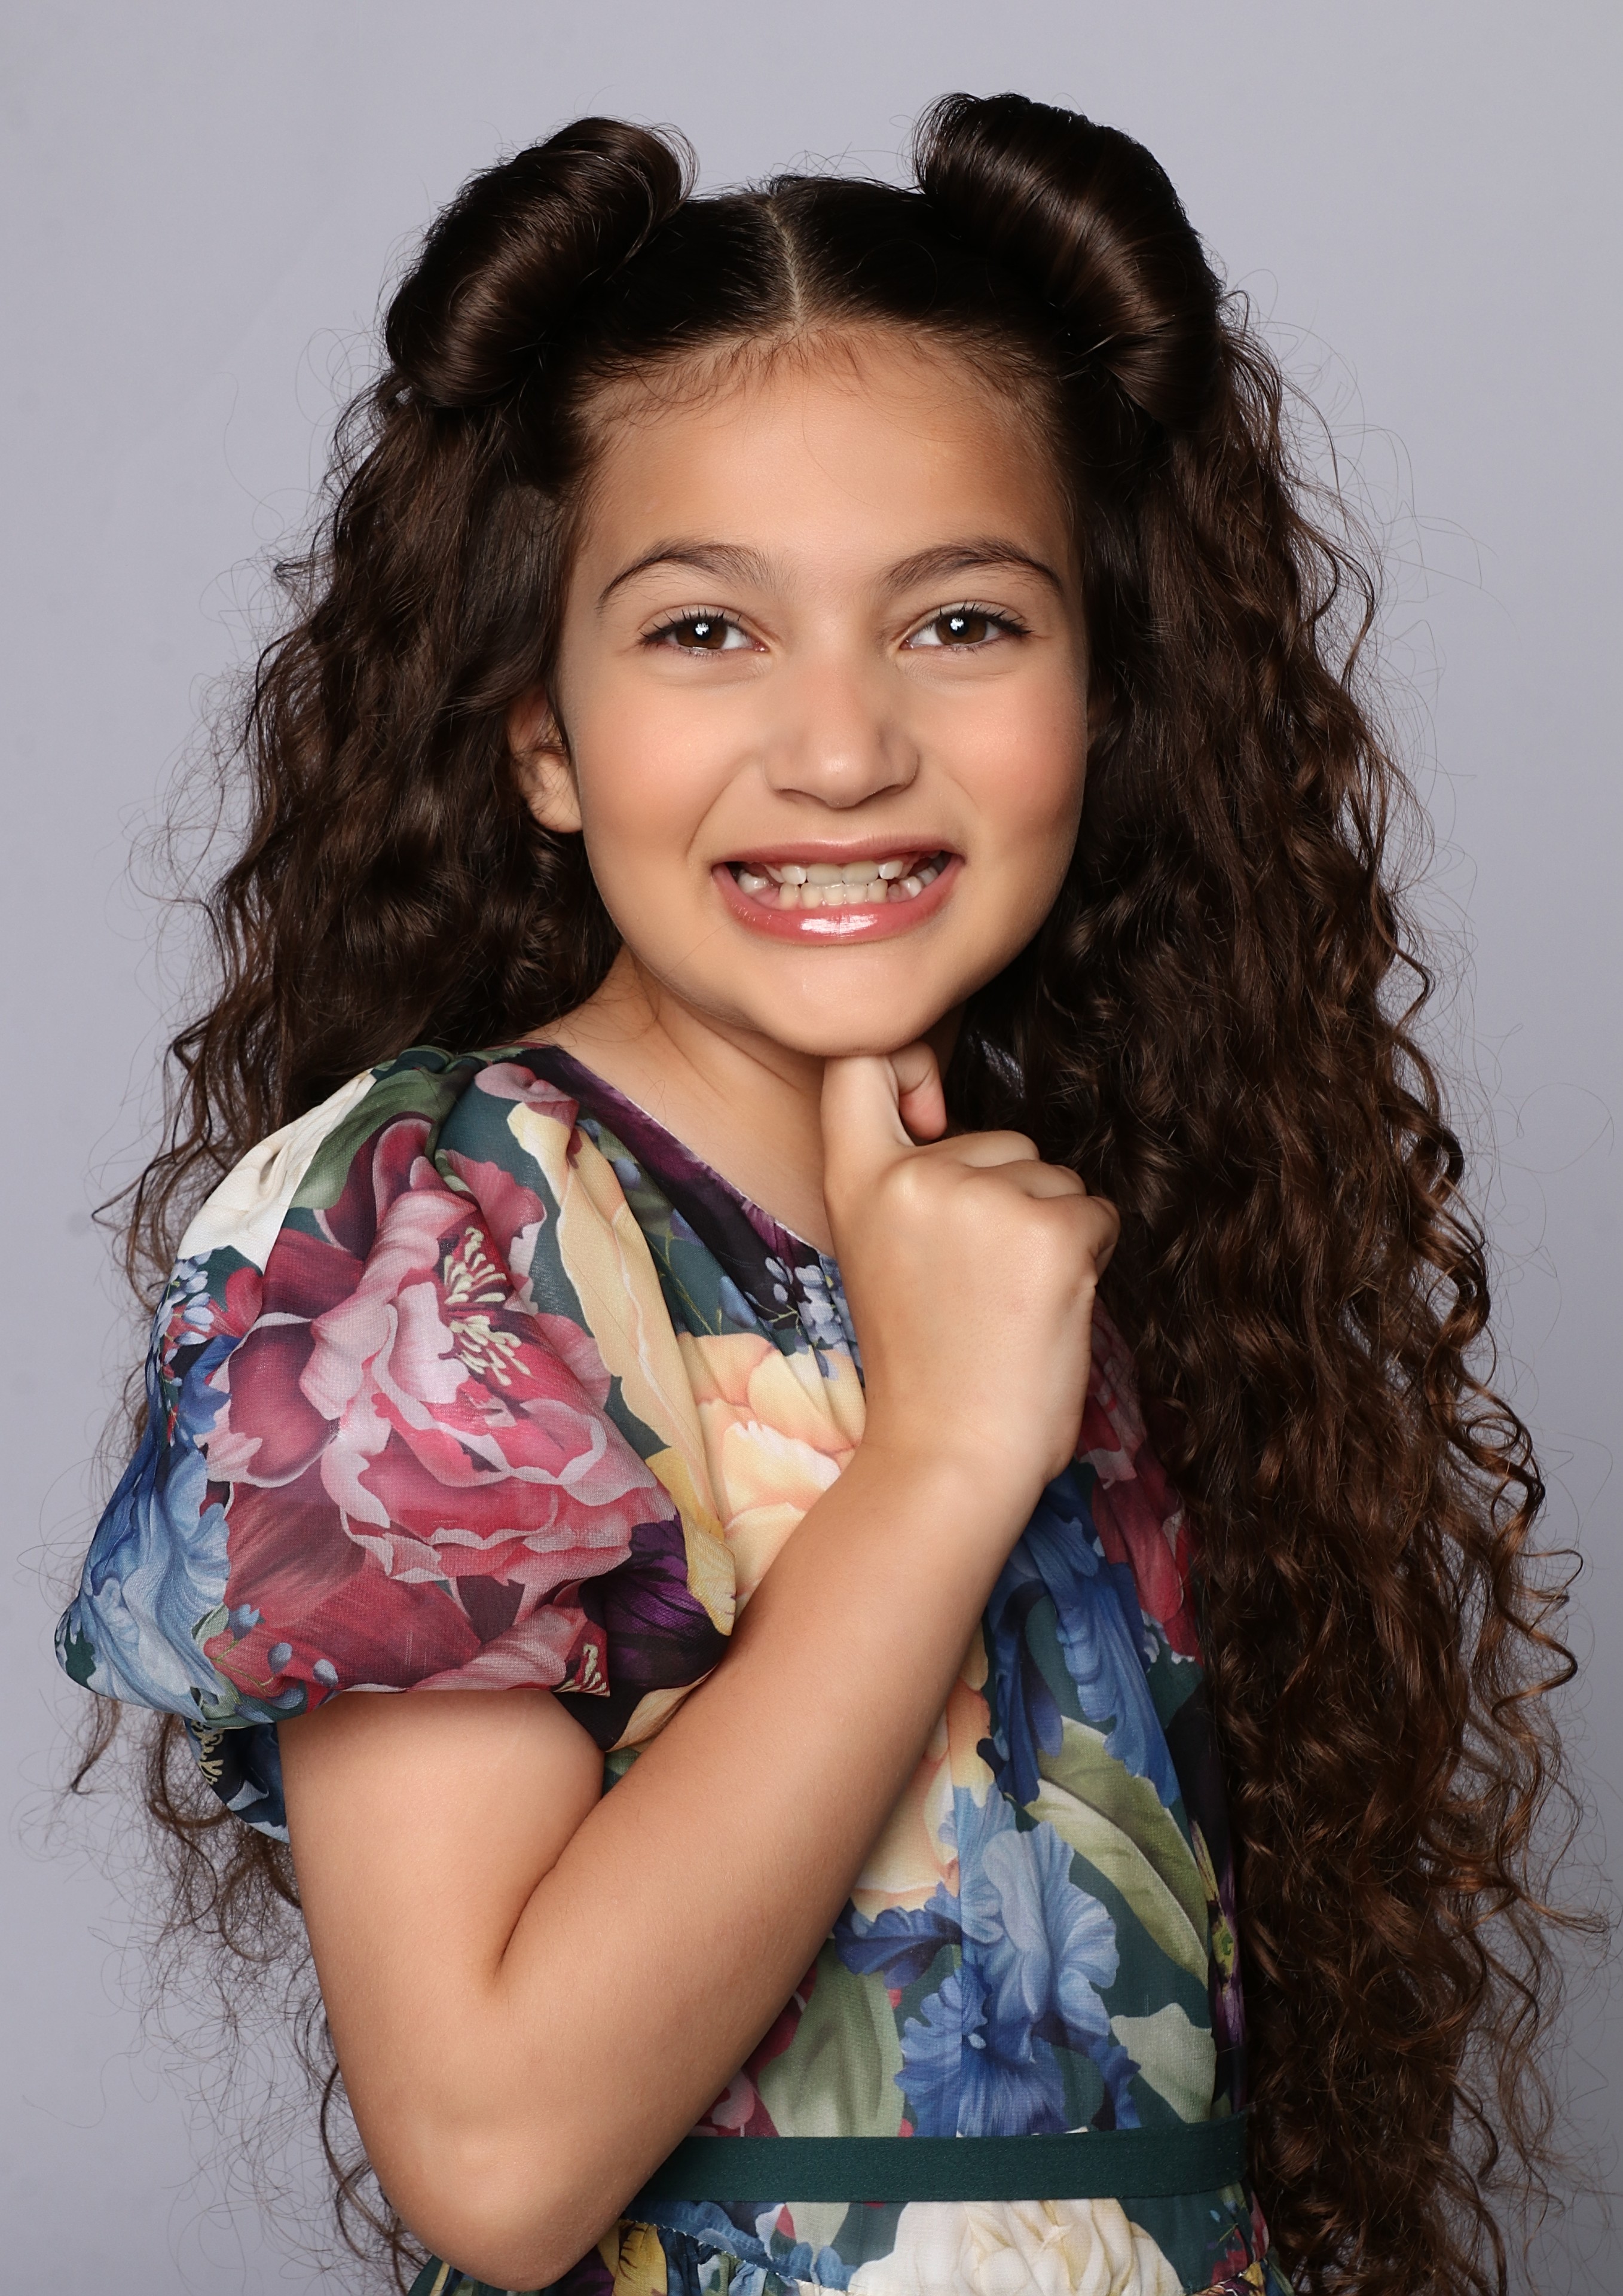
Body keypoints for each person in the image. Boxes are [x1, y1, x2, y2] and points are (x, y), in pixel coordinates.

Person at [57, 93, 1576, 2296]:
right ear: (541, 736)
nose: (844, 748)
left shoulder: (1062, 1222)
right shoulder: (434, 1230)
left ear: (1105, 697)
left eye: (959, 622)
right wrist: (941, 1462)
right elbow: (492, 2153)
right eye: (704, 632)